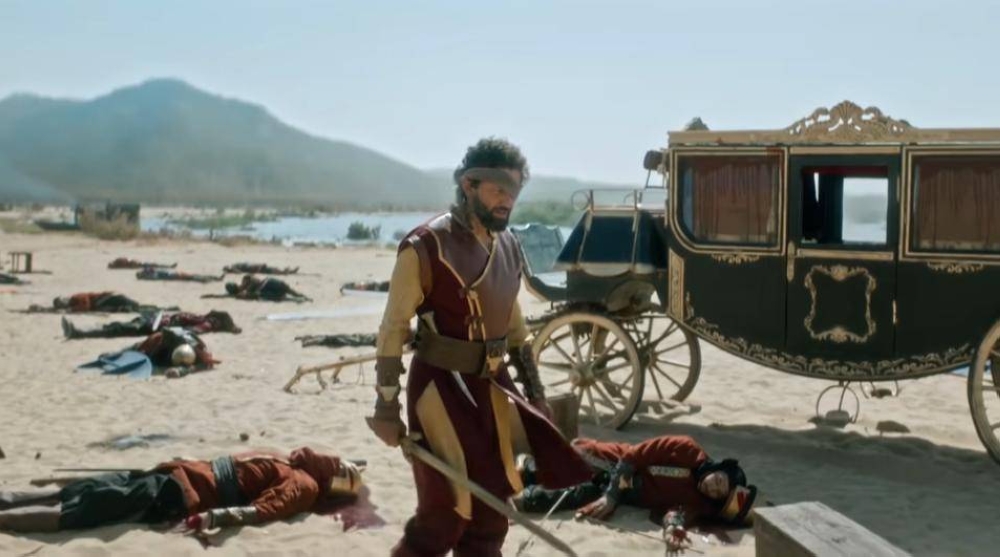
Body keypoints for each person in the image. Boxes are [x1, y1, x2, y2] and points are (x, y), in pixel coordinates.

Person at [367, 138, 592, 557]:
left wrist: (536, 395)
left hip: (491, 387)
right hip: (440, 388)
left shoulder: (508, 246)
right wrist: (386, 407)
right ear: (469, 185)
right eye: (498, 189)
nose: (508, 200)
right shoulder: (426, 246)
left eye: (514, 191)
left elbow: (516, 328)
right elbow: (393, 328)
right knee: (444, 514)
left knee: (491, 515)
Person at [0, 447, 363, 533]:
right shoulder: (294, 465)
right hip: (176, 478)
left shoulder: (303, 482)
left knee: (86, 504)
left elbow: (261, 511)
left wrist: (209, 518)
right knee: (86, 491)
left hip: (176, 492)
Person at [514, 435, 759, 550]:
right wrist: (611, 496)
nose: (712, 488)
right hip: (614, 463)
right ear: (719, 468)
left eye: (717, 493)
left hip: (625, 493)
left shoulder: (698, 502)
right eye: (718, 481)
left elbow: (677, 514)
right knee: (571, 466)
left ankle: (527, 496)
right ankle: (528, 466)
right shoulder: (686, 447)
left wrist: (672, 529)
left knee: (541, 500)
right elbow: (634, 456)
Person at [62, 310, 241, 340]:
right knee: (119, 325)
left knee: (119, 329)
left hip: (156, 326)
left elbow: (191, 331)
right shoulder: (204, 319)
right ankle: (84, 330)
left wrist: (166, 329)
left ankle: (79, 333)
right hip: (157, 320)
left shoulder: (207, 323)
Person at [132, 327, 219, 378]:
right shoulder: (165, 339)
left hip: (171, 349)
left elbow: (203, 360)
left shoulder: (198, 352)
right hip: (160, 345)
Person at [29, 291, 169, 314]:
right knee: (133, 309)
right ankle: (162, 308)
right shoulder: (72, 302)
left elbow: (86, 306)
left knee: (135, 306)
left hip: (111, 298)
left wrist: (71, 310)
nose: (63, 304)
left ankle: (164, 308)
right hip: (107, 303)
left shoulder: (76, 298)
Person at [209, 275, 311, 302]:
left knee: (287, 290)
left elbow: (254, 281)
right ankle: (300, 297)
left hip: (267, 283)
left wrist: (247, 291)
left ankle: (301, 297)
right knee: (285, 292)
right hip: (267, 286)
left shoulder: (246, 280)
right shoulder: (243, 292)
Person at [136, 267, 222, 283]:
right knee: (191, 277)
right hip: (173, 275)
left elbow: (151, 269)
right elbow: (155, 275)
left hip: (173, 274)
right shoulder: (152, 276)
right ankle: (208, 279)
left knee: (192, 276)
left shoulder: (152, 273)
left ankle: (214, 278)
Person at [223, 262, 299, 275]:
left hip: (254, 267)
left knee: (273, 269)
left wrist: (231, 270)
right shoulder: (233, 267)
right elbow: (239, 272)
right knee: (273, 270)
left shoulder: (233, 266)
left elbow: (238, 272)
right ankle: (289, 271)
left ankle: (289, 271)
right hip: (254, 268)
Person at [108, 257, 177, 269]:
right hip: (140, 265)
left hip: (139, 264)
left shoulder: (118, 262)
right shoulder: (118, 263)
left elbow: (126, 259)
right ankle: (170, 266)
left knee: (155, 265)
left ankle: (170, 266)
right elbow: (126, 259)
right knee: (155, 265)